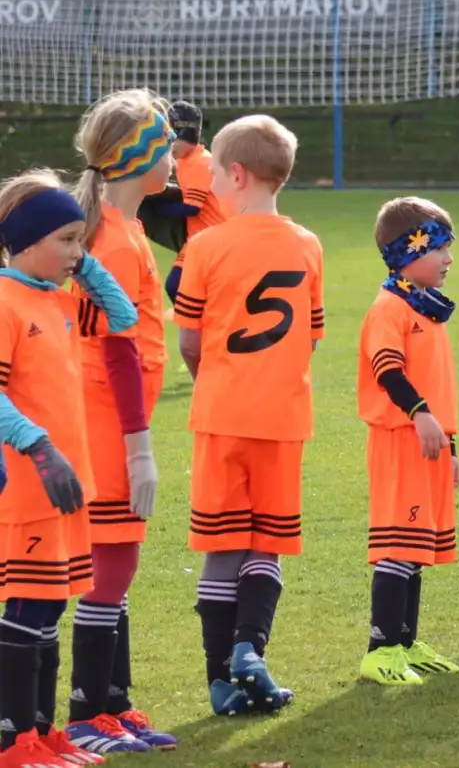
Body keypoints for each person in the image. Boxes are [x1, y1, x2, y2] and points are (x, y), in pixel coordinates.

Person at [174, 115, 325, 715]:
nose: (209, 180)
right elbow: (310, 335)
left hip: (222, 413)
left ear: (236, 175)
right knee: (267, 542)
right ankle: (249, 648)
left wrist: (211, 380)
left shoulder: (205, 245)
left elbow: (190, 341)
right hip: (283, 417)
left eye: (212, 171)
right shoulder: (307, 243)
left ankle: (220, 679)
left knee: (221, 544)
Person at [0, 169, 135, 768]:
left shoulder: (54, 299)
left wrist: (83, 267)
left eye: (81, 239)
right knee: (28, 608)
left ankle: (42, 730)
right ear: (26, 241)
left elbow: (124, 317)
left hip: (64, 491)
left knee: (49, 607)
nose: (77, 251)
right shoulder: (5, 302)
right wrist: (39, 446)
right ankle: (12, 741)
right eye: (66, 240)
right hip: (30, 486)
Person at [66, 91, 177, 754]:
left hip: (109, 419)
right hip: (104, 423)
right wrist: (139, 447)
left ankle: (115, 705)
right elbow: (115, 349)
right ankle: (86, 715)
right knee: (111, 565)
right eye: (163, 144)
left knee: (119, 564)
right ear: (136, 155)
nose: (173, 157)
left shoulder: (123, 227)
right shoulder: (109, 234)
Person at [357, 196, 459, 686]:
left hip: (427, 442)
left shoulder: (426, 310)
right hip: (401, 439)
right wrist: (420, 416)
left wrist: (450, 447)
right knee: (399, 542)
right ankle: (380, 649)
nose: (449, 259)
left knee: (417, 545)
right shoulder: (389, 308)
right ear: (408, 252)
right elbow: (388, 371)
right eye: (440, 249)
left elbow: (435, 385)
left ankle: (405, 640)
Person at [162, 101, 230, 305]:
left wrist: (153, 208)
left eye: (173, 141)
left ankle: (207, 327)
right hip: (199, 239)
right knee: (179, 288)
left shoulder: (199, 163)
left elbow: (192, 207)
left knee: (179, 287)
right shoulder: (187, 160)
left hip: (212, 241)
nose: (169, 148)